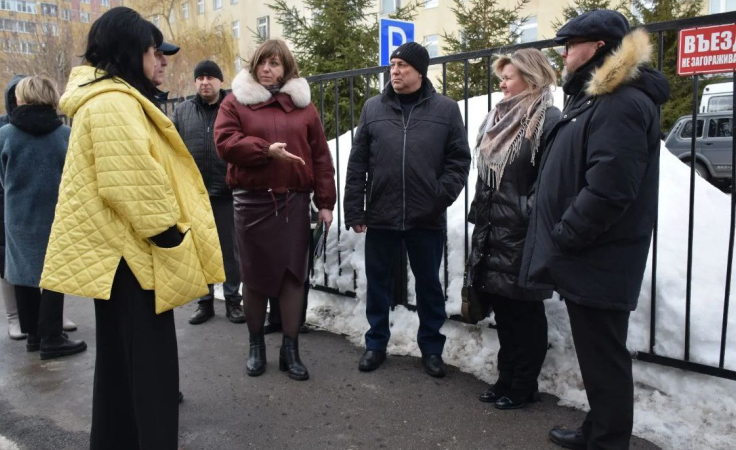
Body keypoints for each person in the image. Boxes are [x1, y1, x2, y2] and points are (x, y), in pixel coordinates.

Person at [39, 7, 224, 449]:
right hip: (133, 257)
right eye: (153, 52)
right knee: (150, 371)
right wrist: (171, 234)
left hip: (121, 254)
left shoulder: (111, 98)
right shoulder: (114, 103)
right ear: (127, 52)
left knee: (122, 368)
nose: (163, 61)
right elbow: (131, 181)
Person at [518, 10, 669, 450]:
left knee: (605, 358)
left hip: (600, 254)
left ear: (598, 47)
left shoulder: (621, 102)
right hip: (590, 254)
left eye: (571, 45)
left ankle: (608, 441)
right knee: (598, 356)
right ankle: (597, 430)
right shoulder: (596, 98)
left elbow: (610, 187)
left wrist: (567, 233)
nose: (564, 54)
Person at [344, 42, 471, 378]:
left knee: (429, 286)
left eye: (402, 65)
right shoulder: (373, 108)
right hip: (382, 213)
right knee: (378, 284)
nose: (395, 71)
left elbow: (459, 160)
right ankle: (375, 343)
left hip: (426, 217)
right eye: (393, 65)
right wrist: (355, 209)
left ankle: (431, 348)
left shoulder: (446, 110)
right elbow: (357, 162)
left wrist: (438, 197)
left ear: (420, 71)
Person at [214, 39, 336, 381]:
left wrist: (325, 203)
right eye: (262, 63)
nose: (267, 69)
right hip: (252, 203)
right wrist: (265, 150)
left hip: (293, 203)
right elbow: (225, 143)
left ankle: (290, 350)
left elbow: (320, 157)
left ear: (286, 69)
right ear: (254, 65)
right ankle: (256, 347)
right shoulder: (235, 102)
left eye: (275, 63)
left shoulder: (303, 107)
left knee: (293, 277)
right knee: (254, 279)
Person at [466, 49, 561, 409]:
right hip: (494, 228)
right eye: (501, 78)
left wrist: (526, 211)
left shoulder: (547, 119)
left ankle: (524, 385)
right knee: (504, 310)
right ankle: (505, 377)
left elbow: (552, 180)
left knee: (525, 312)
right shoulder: (498, 117)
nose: (502, 84)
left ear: (531, 77)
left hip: (523, 232)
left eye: (509, 77)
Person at [0, 76, 86, 360]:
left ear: (21, 98)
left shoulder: (5, 134)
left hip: (18, 215)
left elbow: (2, 176)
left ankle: (33, 335)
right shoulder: (64, 134)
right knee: (55, 274)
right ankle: (52, 337)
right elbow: (74, 175)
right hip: (56, 214)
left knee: (23, 274)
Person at [172, 60, 246, 325]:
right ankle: (204, 302)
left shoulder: (233, 107)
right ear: (195, 82)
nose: (205, 82)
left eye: (210, 77)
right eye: (200, 78)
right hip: (195, 195)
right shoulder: (182, 111)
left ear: (220, 81)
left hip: (226, 191)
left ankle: (233, 301)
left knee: (230, 252)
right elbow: (172, 149)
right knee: (200, 250)